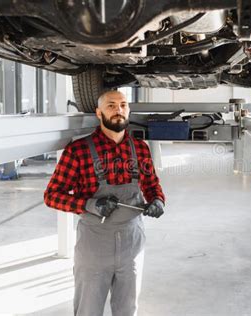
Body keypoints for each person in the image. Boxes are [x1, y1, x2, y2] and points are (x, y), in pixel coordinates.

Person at [44, 90, 165, 316]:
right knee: (88, 309)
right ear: (99, 113)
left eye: (123, 105)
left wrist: (158, 200)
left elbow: (152, 185)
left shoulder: (140, 148)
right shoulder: (78, 151)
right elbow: (51, 195)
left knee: (128, 309)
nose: (118, 110)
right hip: (94, 244)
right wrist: (90, 204)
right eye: (111, 105)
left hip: (132, 241)